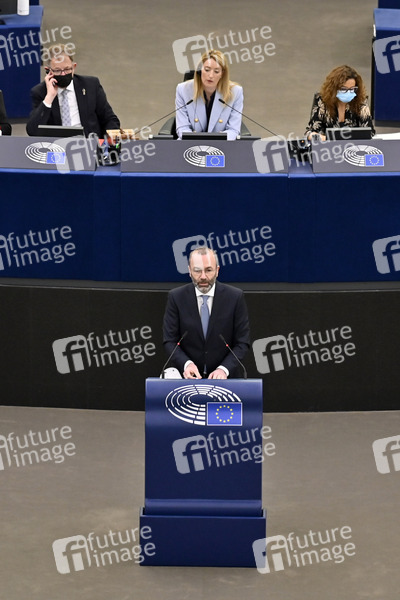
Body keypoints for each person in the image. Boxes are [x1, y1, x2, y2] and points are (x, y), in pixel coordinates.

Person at [163, 246, 250, 379]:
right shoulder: (176, 297)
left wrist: (223, 369)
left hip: (226, 381)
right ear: (189, 271)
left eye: (208, 270)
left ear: (217, 271)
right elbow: (170, 341)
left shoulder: (234, 297)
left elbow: (242, 342)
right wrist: (187, 364)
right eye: (197, 271)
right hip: (188, 379)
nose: (203, 277)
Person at [26, 44, 120, 137]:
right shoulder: (40, 92)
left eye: (67, 69)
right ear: (48, 71)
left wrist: (106, 142)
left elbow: (110, 120)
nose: (63, 74)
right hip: (57, 144)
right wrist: (49, 97)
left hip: (88, 142)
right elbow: (33, 131)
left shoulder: (90, 85)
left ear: (74, 67)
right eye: (57, 70)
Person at [175, 49, 243, 141]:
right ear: (200, 70)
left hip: (222, 145)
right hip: (190, 144)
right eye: (207, 70)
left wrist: (214, 145)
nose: (211, 76)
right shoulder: (183, 90)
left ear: (222, 74)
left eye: (216, 71)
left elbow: (233, 130)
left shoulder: (235, 92)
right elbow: (183, 128)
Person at [305, 65, 375, 140]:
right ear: (333, 89)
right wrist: (327, 139)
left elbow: (369, 132)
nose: (348, 92)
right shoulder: (322, 100)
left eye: (352, 89)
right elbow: (311, 132)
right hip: (328, 145)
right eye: (343, 89)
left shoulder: (360, 100)